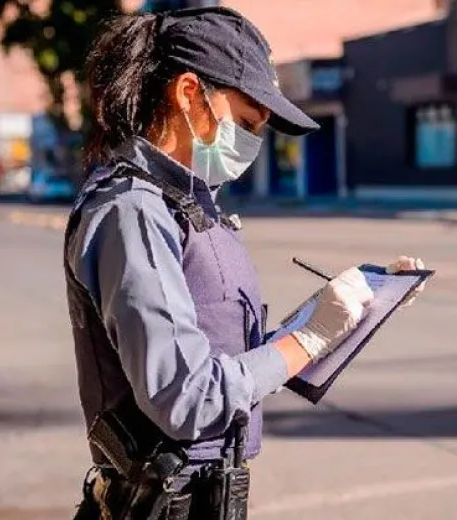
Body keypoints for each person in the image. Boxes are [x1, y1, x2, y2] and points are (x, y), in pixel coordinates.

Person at [65, 6, 426, 519]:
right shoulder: (134, 212)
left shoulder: (183, 203)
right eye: (246, 122)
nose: (253, 141)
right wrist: (310, 336)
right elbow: (188, 397)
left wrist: (354, 312)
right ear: (189, 93)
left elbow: (236, 360)